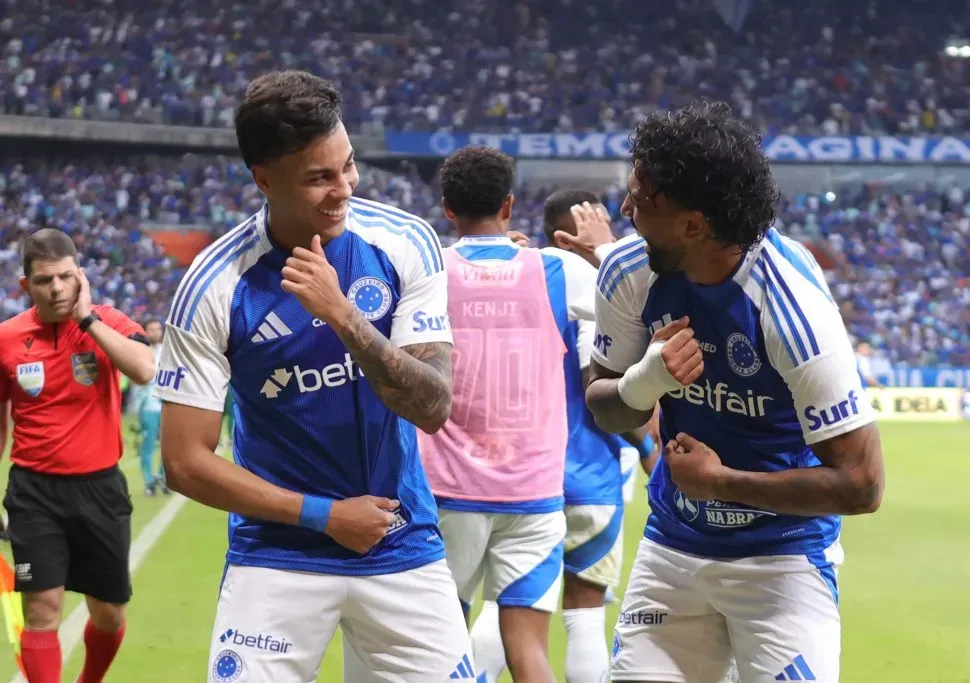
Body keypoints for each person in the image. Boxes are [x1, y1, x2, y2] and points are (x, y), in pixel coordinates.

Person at [155, 70, 473, 683]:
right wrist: (325, 516)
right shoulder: (215, 284)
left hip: (399, 540)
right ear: (264, 180)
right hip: (276, 554)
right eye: (319, 177)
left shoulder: (405, 244)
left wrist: (344, 316)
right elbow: (185, 462)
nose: (343, 190)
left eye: (348, 166)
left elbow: (433, 406)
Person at [570, 102, 885, 683]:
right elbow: (604, 405)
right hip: (674, 547)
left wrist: (721, 483)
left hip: (781, 561)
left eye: (642, 199)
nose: (625, 209)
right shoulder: (627, 272)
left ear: (694, 225)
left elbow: (863, 484)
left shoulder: (793, 312)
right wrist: (648, 380)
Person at [417, 148, 596, 683]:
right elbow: (637, 289)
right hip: (533, 491)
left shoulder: (431, 270)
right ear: (510, 204)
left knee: (438, 653)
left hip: (447, 489)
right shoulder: (556, 271)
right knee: (530, 653)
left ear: (447, 208)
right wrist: (602, 249)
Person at [471, 189, 660, 683]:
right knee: (585, 614)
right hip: (590, 477)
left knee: (504, 604)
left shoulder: (522, 280)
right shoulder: (594, 295)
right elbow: (598, 385)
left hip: (521, 474)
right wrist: (645, 446)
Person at [0, 228, 155, 683]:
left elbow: (145, 370)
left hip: (100, 489)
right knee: (42, 610)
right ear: (26, 286)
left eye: (66, 277)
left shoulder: (109, 321)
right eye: (45, 280)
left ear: (80, 277)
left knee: (108, 612)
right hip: (33, 491)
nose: (57, 288)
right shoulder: (6, 339)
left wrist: (88, 321)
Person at [135, 319, 169, 496]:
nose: (155, 332)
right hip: (148, 406)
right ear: (145, 332)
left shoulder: (169, 351)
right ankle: (149, 482)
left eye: (158, 329)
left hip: (167, 405)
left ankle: (163, 478)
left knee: (169, 447)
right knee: (148, 446)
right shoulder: (138, 351)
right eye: (151, 329)